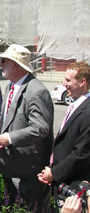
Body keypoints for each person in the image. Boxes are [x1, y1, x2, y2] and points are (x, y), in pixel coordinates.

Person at [0, 44, 54, 213]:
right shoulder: (11, 86)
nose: (0, 64)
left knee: (28, 210)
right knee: (11, 207)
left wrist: (10, 138)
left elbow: (40, 128)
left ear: (15, 64)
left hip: (28, 169)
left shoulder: (37, 91)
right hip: (11, 165)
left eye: (4, 61)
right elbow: (8, 117)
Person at [38, 62, 90, 202]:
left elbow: (81, 154)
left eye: (68, 80)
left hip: (74, 187)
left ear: (82, 82)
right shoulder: (75, 105)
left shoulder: (87, 111)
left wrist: (54, 173)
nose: (63, 83)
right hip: (62, 182)